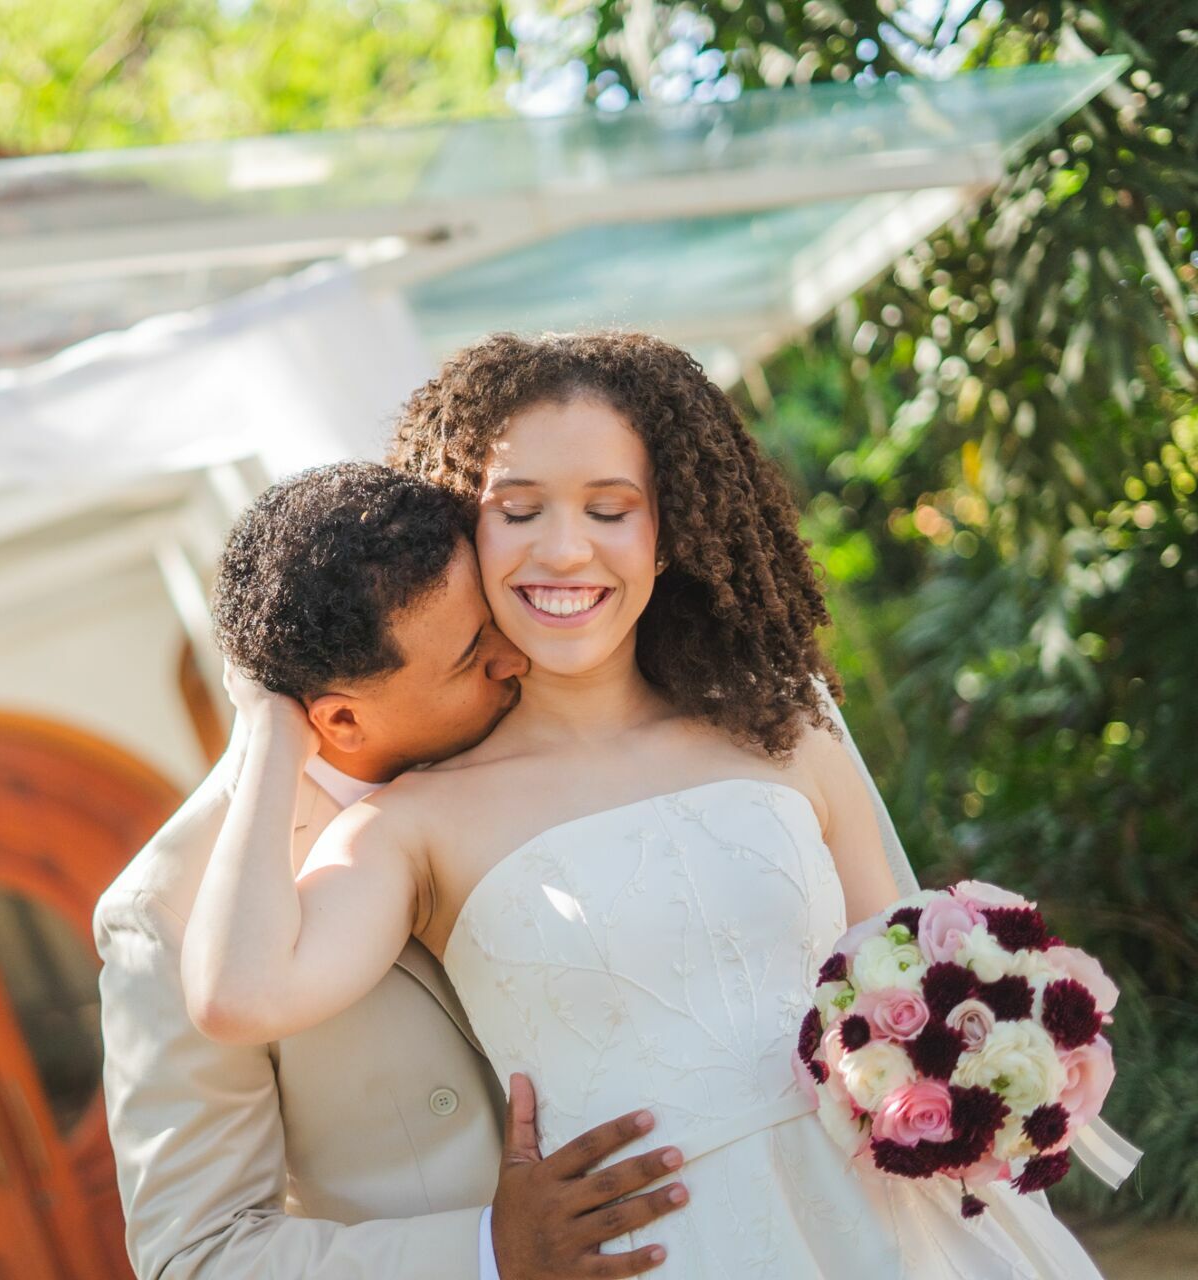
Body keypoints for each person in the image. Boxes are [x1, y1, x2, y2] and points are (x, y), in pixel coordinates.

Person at [181, 333, 1104, 1277]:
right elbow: (237, 995)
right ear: (466, 534)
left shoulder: (783, 726)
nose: (565, 547)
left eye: (610, 509)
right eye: (519, 510)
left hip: (904, 1233)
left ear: (668, 535)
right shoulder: (413, 823)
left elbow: (906, 962)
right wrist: (267, 719)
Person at [94, 461, 689, 1280]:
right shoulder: (168, 911)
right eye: (473, 655)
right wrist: (489, 1253)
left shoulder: (562, 713)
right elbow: (197, 1253)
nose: (514, 661)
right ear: (339, 717)